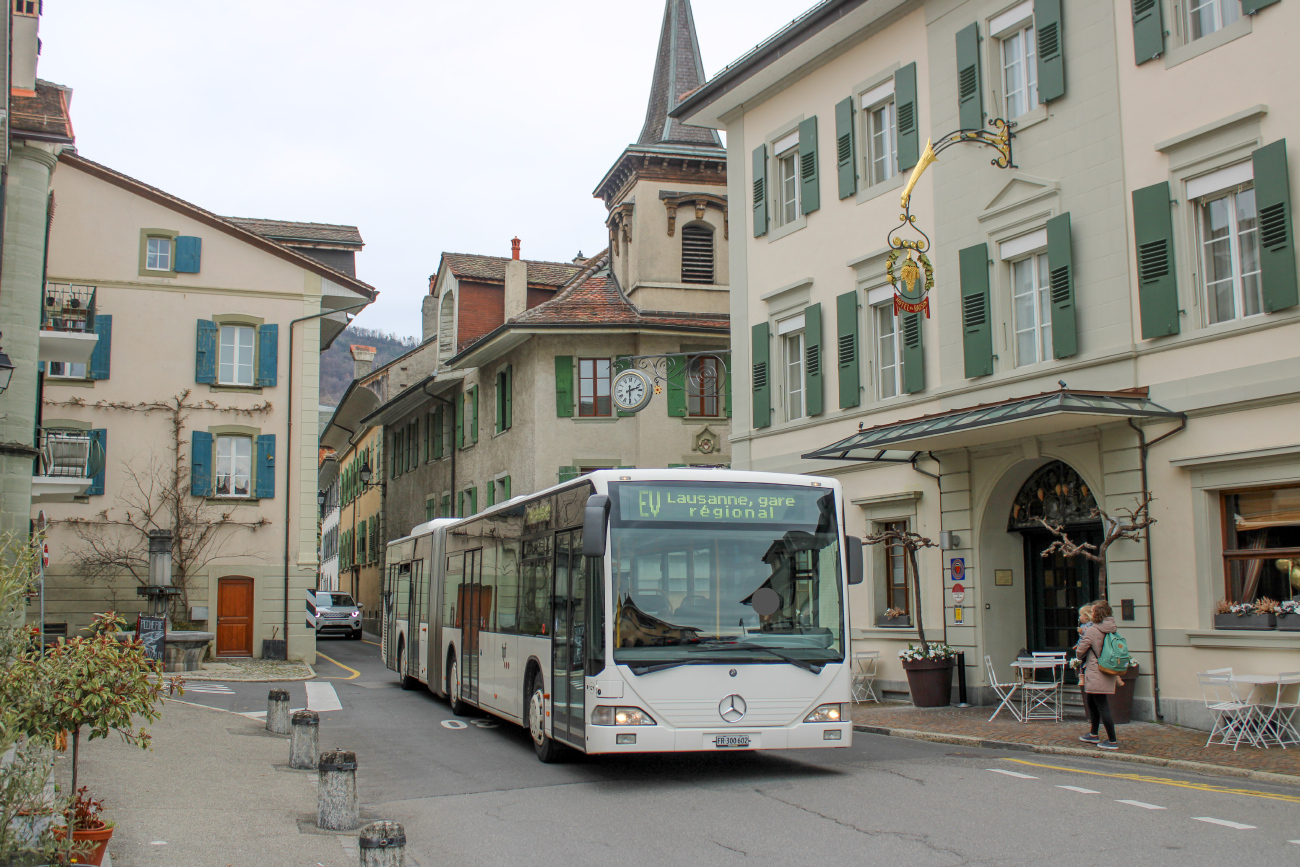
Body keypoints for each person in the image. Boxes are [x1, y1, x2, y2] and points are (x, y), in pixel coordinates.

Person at [1076, 599, 1119, 750]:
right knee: (1092, 700)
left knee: (1101, 705)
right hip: (1107, 669)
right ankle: (1093, 733)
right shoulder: (1112, 628)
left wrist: (1079, 654)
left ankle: (1112, 740)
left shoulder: (1093, 630)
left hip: (1095, 670)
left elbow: (1081, 650)